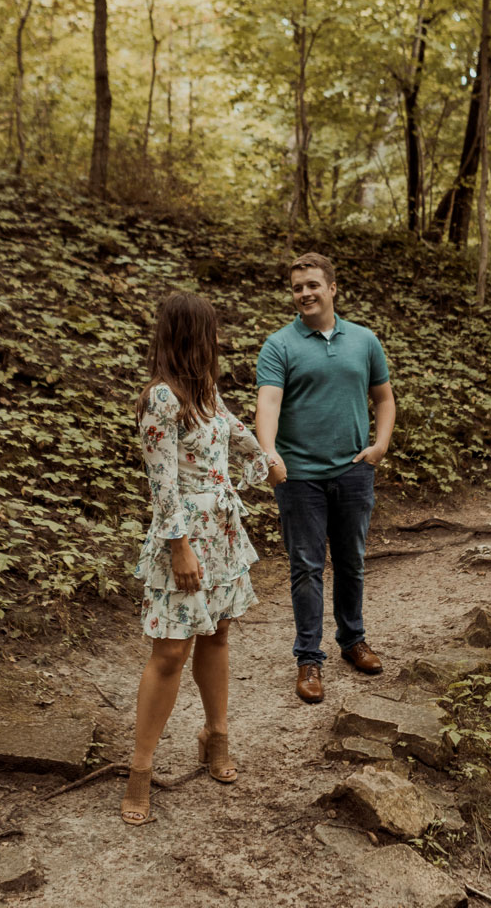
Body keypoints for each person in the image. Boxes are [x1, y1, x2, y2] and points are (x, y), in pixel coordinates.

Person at [122, 292, 275, 825]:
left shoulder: (205, 390)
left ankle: (216, 733)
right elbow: (161, 483)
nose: (216, 342)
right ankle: (140, 769)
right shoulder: (160, 399)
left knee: (219, 633)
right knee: (170, 651)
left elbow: (233, 430)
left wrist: (267, 458)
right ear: (190, 334)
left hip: (222, 532)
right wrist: (178, 546)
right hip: (185, 536)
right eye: (209, 332)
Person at [255, 253, 395, 704]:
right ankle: (309, 659)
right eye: (298, 287)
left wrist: (380, 445)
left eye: (313, 285)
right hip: (299, 477)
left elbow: (384, 398)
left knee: (352, 560)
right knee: (306, 568)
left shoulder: (364, 340)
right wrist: (269, 453)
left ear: (332, 288)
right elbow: (268, 403)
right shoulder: (279, 345)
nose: (305, 293)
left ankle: (353, 640)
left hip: (354, 470)